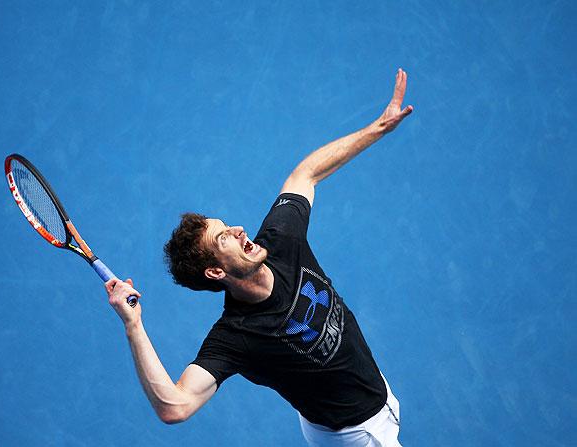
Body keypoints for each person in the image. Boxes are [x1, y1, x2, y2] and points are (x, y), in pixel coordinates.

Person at [105, 68, 413, 446]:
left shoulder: (280, 240)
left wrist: (378, 128)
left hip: (375, 393)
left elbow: (306, 174)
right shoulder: (236, 338)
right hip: (354, 436)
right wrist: (133, 325)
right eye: (223, 238)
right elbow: (175, 406)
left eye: (227, 225)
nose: (237, 230)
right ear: (216, 272)